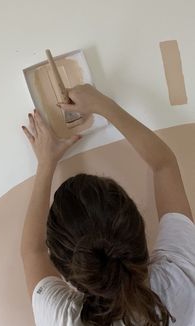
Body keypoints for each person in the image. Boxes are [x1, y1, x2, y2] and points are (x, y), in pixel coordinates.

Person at [21, 84, 195, 326]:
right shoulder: (180, 274)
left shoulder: (61, 318)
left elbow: (32, 252)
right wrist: (105, 106)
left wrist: (45, 163)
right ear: (137, 225)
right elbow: (164, 164)